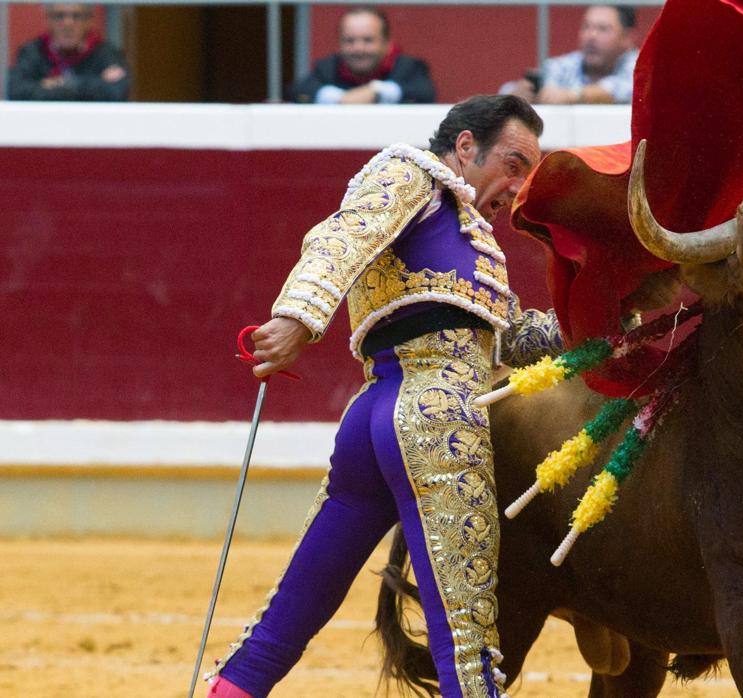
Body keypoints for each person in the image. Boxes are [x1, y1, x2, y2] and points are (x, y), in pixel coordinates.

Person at [204, 95, 564, 698]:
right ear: (466, 146)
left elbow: (515, 335)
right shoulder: (411, 174)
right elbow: (344, 236)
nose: (518, 185)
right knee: (466, 630)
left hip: (375, 422)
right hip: (436, 422)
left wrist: (614, 324)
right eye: (513, 162)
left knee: (298, 604)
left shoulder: (468, 237)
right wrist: (299, 316)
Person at [287, 7, 436, 104]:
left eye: (368, 40)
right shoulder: (327, 67)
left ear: (386, 43)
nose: (358, 48)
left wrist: (377, 91)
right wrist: (340, 99)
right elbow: (296, 92)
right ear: (339, 43)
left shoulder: (409, 67)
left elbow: (425, 93)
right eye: (350, 41)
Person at [502, 5, 638, 104]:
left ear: (627, 38)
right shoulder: (562, 65)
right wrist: (516, 96)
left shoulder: (640, 65)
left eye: (603, 29)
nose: (591, 35)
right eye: (586, 27)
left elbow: (624, 89)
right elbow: (506, 90)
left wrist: (572, 95)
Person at [6, 3, 129, 101]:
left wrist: (63, 83)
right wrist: (89, 85)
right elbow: (15, 90)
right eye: (59, 16)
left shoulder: (105, 53)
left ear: (89, 21)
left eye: (76, 16)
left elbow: (117, 91)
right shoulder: (32, 51)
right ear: (48, 19)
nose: (68, 24)